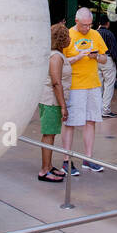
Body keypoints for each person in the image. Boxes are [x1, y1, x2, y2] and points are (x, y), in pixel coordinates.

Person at [61, 8, 109, 173]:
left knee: (91, 120)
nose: (87, 28)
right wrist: (78, 57)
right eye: (84, 25)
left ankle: (88, 158)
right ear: (76, 21)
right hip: (75, 85)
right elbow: (60, 61)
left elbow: (104, 58)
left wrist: (96, 56)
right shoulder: (67, 35)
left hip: (93, 84)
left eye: (89, 25)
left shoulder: (95, 35)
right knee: (71, 122)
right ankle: (66, 160)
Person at [38, 23, 86, 182]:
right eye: (67, 36)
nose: (70, 39)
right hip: (51, 101)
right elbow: (56, 82)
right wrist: (63, 106)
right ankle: (44, 170)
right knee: (49, 135)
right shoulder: (56, 57)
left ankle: (49, 165)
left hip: (54, 101)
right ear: (62, 39)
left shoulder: (58, 55)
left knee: (51, 134)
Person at [96, 14, 117, 117]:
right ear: (108, 23)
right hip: (107, 60)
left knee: (99, 85)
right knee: (109, 85)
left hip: (96, 59)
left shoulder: (95, 33)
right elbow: (114, 50)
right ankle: (105, 110)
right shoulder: (109, 34)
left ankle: (98, 109)